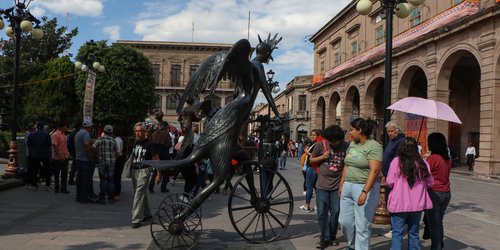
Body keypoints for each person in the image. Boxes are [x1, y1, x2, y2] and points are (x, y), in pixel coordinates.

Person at [338, 118, 383, 250]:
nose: (349, 132)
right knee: (344, 222)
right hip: (348, 186)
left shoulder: (374, 146)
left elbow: (374, 171)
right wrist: (342, 185)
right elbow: (347, 165)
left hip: (363, 187)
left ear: (360, 130)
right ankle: (352, 245)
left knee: (362, 225)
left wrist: (364, 192)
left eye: (352, 130)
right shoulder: (352, 144)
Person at [386, 137, 434, 250]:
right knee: (414, 233)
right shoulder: (423, 163)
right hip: (417, 205)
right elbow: (430, 183)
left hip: (399, 204)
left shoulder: (396, 162)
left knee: (397, 233)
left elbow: (390, 182)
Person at [312, 125, 349, 248]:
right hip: (321, 185)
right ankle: (324, 237)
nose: (332, 143)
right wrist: (323, 157)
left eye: (334, 141)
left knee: (336, 212)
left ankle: (332, 236)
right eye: (330, 141)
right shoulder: (320, 145)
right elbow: (310, 161)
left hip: (337, 186)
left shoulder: (346, 146)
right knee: (322, 212)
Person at [426, 132, 452, 250]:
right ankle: (439, 245)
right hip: (446, 192)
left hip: (434, 193)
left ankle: (436, 247)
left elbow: (424, 174)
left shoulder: (433, 158)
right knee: (438, 222)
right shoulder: (447, 159)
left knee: (434, 225)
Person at [131, 122, 158, 229]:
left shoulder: (150, 144)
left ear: (144, 132)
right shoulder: (135, 143)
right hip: (135, 171)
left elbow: (156, 158)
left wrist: (158, 174)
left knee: (138, 195)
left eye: (139, 131)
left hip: (144, 171)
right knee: (141, 193)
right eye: (136, 131)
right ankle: (147, 215)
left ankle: (136, 219)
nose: (137, 133)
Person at [381, 121, 405, 238]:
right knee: (389, 202)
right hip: (387, 176)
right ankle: (394, 225)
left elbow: (396, 161)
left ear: (397, 130)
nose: (390, 133)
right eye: (388, 132)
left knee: (393, 203)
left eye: (391, 131)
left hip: (393, 179)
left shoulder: (400, 142)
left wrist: (389, 176)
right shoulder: (392, 141)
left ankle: (395, 228)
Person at [93, 125, 118, 204]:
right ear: (111, 132)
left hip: (101, 162)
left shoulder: (99, 140)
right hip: (111, 162)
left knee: (102, 180)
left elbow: (93, 147)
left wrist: (97, 156)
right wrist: (114, 159)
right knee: (111, 180)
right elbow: (117, 152)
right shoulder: (114, 141)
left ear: (104, 131)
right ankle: (111, 198)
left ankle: (102, 198)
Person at [300, 129, 322, 212]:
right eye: (311, 135)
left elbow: (314, 155)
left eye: (314, 135)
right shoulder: (316, 144)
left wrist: (306, 151)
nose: (312, 136)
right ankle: (317, 206)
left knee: (309, 187)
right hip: (315, 168)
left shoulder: (317, 144)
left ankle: (307, 205)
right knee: (316, 188)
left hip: (312, 168)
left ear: (318, 136)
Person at [74, 119, 96, 203]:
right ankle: (84, 198)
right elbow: (87, 145)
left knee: (79, 180)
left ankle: (79, 196)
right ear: (89, 126)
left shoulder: (78, 133)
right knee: (85, 180)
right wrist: (90, 156)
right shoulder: (86, 134)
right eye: (91, 126)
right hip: (85, 160)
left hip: (79, 159)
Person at [26, 122, 52, 190]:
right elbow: (49, 145)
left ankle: (34, 184)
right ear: (43, 127)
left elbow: (29, 145)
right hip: (45, 154)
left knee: (35, 170)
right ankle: (47, 185)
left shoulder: (31, 135)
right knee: (47, 170)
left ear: (37, 127)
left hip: (35, 154)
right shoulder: (47, 134)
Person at [149, 121, 172, 193]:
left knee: (156, 170)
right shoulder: (166, 134)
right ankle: (163, 187)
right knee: (166, 172)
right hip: (164, 154)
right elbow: (169, 145)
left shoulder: (154, 133)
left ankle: (151, 186)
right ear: (165, 127)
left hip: (156, 154)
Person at [51, 122, 70, 194]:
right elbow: (55, 146)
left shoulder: (63, 135)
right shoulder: (55, 135)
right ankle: (57, 188)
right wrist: (60, 156)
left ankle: (63, 188)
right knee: (57, 174)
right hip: (57, 158)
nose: (66, 128)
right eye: (65, 126)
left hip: (65, 156)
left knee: (64, 174)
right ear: (61, 127)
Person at [113, 129, 125, 201]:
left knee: (116, 177)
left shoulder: (117, 140)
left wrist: (114, 160)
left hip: (118, 160)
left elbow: (117, 152)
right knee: (118, 176)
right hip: (120, 159)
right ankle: (117, 191)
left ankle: (116, 193)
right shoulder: (120, 139)